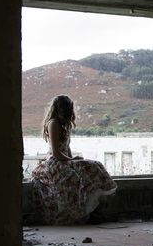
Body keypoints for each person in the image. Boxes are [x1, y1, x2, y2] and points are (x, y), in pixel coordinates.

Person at [31, 95, 117, 224]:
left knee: (94, 165)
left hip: (64, 160)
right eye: (66, 108)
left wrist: (73, 160)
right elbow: (56, 152)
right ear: (59, 108)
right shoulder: (53, 124)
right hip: (56, 162)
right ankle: (84, 213)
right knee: (84, 170)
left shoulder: (64, 125)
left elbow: (67, 148)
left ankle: (93, 210)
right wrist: (71, 161)